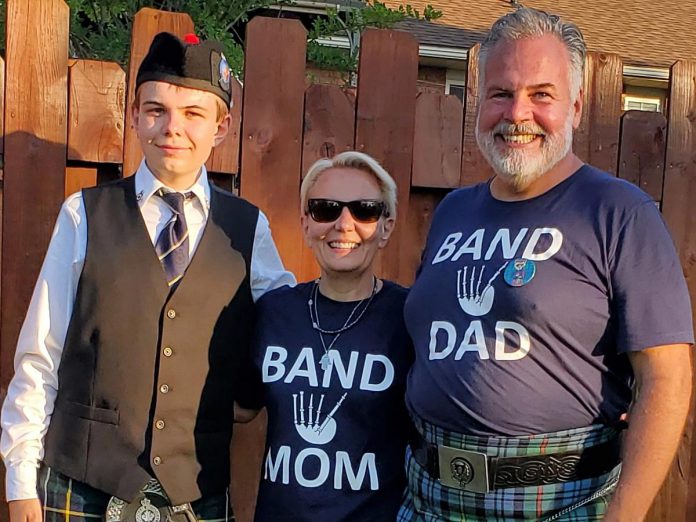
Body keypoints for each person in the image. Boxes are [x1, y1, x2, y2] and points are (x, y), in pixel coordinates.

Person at [399, 7, 693, 522]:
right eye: (500, 93)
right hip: (429, 496)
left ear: (575, 107)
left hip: (558, 502)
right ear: (478, 103)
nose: (517, 113)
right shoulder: (452, 212)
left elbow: (667, 378)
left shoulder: (619, 213)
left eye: (541, 94)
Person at [1, 32, 295, 522]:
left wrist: (250, 390)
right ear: (134, 117)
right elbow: (39, 356)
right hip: (81, 482)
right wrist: (19, 482)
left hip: (195, 493)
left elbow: (287, 326)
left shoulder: (248, 229)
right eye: (156, 110)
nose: (172, 128)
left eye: (193, 114)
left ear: (221, 128)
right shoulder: (84, 215)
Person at [235, 151, 413, 521]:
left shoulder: (409, 317)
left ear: (386, 226)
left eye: (364, 210)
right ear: (305, 224)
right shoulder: (275, 312)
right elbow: (239, 407)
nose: (344, 223)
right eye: (325, 208)